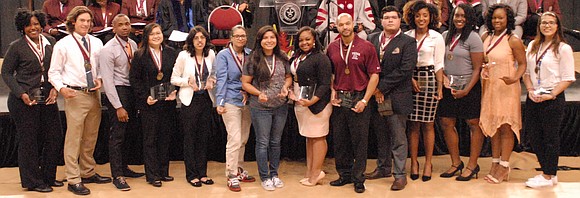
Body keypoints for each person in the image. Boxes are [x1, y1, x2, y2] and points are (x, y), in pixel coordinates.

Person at [48, 6, 111, 195]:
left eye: (89, 21)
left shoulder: (97, 43)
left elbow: (99, 67)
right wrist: (61, 89)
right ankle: (73, 179)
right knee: (74, 138)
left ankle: (88, 171)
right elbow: (53, 72)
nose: (86, 24)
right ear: (73, 22)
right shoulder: (63, 44)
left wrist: (99, 78)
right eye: (82, 20)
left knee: (91, 136)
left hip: (94, 93)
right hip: (75, 94)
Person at [1, 9, 62, 193]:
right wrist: (21, 93)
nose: (33, 28)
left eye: (36, 24)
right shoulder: (16, 46)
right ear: (22, 27)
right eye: (29, 25)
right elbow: (6, 73)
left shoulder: (51, 42)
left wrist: (54, 88)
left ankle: (48, 177)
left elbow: (56, 69)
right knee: (29, 142)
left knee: (54, 137)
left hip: (47, 96)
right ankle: (33, 182)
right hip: (24, 100)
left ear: (42, 24)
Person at [327, 13, 380, 193]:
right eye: (341, 25)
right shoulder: (332, 47)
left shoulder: (367, 46)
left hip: (359, 97)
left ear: (353, 24)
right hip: (340, 98)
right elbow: (331, 74)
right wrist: (333, 91)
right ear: (336, 26)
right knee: (340, 140)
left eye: (347, 23)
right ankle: (344, 175)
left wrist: (365, 99)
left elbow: (374, 75)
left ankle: (359, 178)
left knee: (359, 141)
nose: (345, 27)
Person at [366, 5, 417, 191]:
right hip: (375, 97)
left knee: (398, 138)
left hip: (396, 97)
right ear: (381, 21)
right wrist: (374, 90)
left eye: (393, 17)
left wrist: (380, 88)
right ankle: (383, 168)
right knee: (381, 136)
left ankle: (400, 175)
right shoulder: (372, 39)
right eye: (386, 17)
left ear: (399, 20)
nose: (389, 20)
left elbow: (405, 70)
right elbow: (366, 66)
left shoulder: (408, 42)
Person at [523, 11, 575, 188]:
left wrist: (551, 94)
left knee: (550, 137)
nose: (547, 26)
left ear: (557, 26)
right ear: (539, 26)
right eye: (544, 23)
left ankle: (548, 175)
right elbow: (527, 73)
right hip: (534, 95)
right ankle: (549, 172)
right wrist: (530, 90)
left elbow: (567, 78)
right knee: (534, 135)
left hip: (552, 97)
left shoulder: (563, 48)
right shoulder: (532, 46)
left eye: (551, 23)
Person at [479, 3, 527, 184]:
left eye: (500, 18)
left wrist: (515, 78)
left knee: (505, 126)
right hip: (490, 86)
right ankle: (495, 162)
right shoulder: (486, 37)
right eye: (494, 18)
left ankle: (504, 166)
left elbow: (522, 64)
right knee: (494, 128)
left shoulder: (513, 40)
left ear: (508, 19)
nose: (497, 21)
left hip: (507, 87)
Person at [98, 14, 146, 191]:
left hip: (131, 90)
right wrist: (118, 106)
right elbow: (108, 81)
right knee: (117, 135)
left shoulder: (132, 44)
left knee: (129, 133)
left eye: (127, 24)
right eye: (121, 25)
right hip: (118, 92)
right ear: (114, 28)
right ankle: (117, 175)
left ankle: (124, 168)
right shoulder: (108, 49)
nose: (125, 27)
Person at [241, 25, 292, 191]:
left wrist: (286, 87)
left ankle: (274, 174)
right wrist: (258, 93)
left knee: (275, 142)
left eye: (272, 37)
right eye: (265, 38)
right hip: (260, 107)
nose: (269, 41)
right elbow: (245, 83)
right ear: (260, 41)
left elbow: (288, 77)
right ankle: (265, 177)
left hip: (280, 106)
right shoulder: (253, 58)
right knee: (262, 142)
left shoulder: (282, 56)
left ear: (276, 40)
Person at [438, 3, 485, 181]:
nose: (459, 19)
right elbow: (439, 63)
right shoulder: (444, 36)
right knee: (446, 122)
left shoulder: (473, 38)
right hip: (449, 86)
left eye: (463, 16)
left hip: (469, 87)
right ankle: (456, 163)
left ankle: (473, 165)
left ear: (469, 19)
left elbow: (477, 68)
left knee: (473, 123)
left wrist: (466, 90)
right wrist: (443, 79)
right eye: (456, 15)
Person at [129, 23, 178, 187]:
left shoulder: (171, 53)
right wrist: (145, 97)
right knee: (150, 139)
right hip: (149, 104)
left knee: (165, 138)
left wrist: (174, 91)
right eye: (152, 34)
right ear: (146, 37)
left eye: (158, 33)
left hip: (167, 103)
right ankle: (152, 175)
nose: (156, 36)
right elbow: (134, 80)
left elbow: (175, 75)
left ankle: (163, 172)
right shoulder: (140, 55)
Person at [403, 0, 444, 182]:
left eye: (425, 15)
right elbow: (403, 63)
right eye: (418, 15)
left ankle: (428, 162)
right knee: (413, 125)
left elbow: (439, 64)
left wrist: (440, 87)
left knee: (428, 123)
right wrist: (409, 78)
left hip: (429, 78)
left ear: (431, 17)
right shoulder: (406, 35)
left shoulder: (437, 37)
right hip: (409, 79)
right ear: (412, 17)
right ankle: (413, 162)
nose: (421, 19)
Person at [171, 25, 216, 187]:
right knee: (190, 138)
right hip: (189, 101)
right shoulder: (183, 55)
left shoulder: (210, 54)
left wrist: (212, 80)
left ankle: (202, 173)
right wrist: (187, 83)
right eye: (196, 38)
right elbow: (174, 79)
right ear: (191, 40)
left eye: (202, 38)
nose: (199, 41)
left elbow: (214, 74)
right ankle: (191, 174)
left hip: (205, 99)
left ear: (206, 40)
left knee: (203, 138)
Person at [287, 27, 332, 187]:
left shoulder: (321, 58)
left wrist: (312, 101)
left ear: (314, 40)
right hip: (300, 101)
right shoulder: (298, 56)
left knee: (318, 136)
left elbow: (325, 83)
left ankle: (317, 173)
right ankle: (310, 171)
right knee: (309, 136)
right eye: (301, 40)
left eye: (308, 39)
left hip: (317, 104)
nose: (304, 42)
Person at [214, 25, 256, 192]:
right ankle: (231, 175)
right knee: (235, 138)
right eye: (237, 36)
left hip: (247, 99)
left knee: (244, 138)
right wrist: (220, 101)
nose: (240, 38)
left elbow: (253, 77)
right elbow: (221, 78)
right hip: (230, 99)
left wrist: (249, 92)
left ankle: (239, 169)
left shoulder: (250, 53)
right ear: (230, 38)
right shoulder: (223, 55)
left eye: (243, 36)